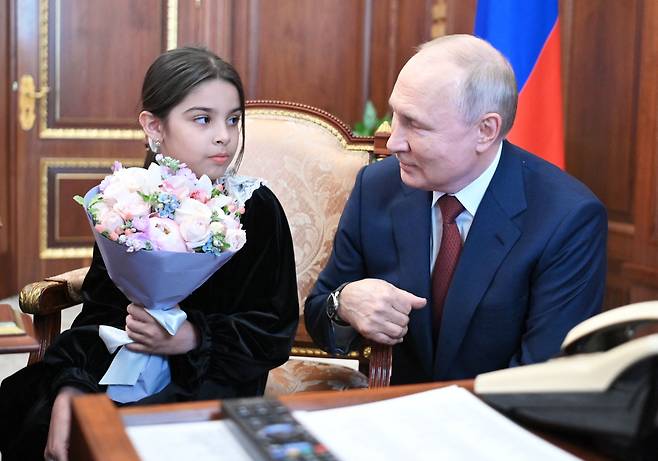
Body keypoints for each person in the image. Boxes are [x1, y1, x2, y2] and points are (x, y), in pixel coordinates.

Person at [0, 47, 298, 461]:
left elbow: (273, 329)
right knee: (39, 411)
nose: (223, 135)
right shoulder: (125, 204)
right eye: (202, 118)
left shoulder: (256, 208)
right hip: (119, 364)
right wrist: (73, 384)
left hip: (212, 380)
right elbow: (101, 312)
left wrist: (192, 337)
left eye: (233, 119)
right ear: (154, 126)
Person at [305, 34, 607, 386]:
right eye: (395, 116)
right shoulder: (377, 187)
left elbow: (543, 378)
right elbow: (319, 317)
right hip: (393, 416)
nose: (393, 140)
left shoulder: (567, 219)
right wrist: (343, 306)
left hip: (497, 427)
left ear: (485, 130)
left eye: (414, 124)